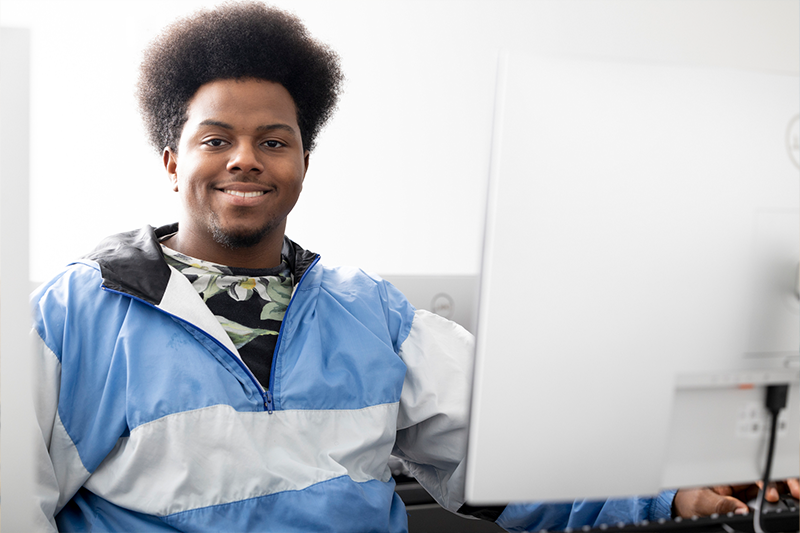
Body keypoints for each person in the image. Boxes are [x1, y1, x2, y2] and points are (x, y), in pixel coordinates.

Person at [30, 2, 797, 532]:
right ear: (172, 160)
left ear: (303, 160)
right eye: (215, 138)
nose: (245, 159)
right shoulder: (74, 313)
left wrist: (680, 495)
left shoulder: (373, 312)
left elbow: (516, 456)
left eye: (274, 139)